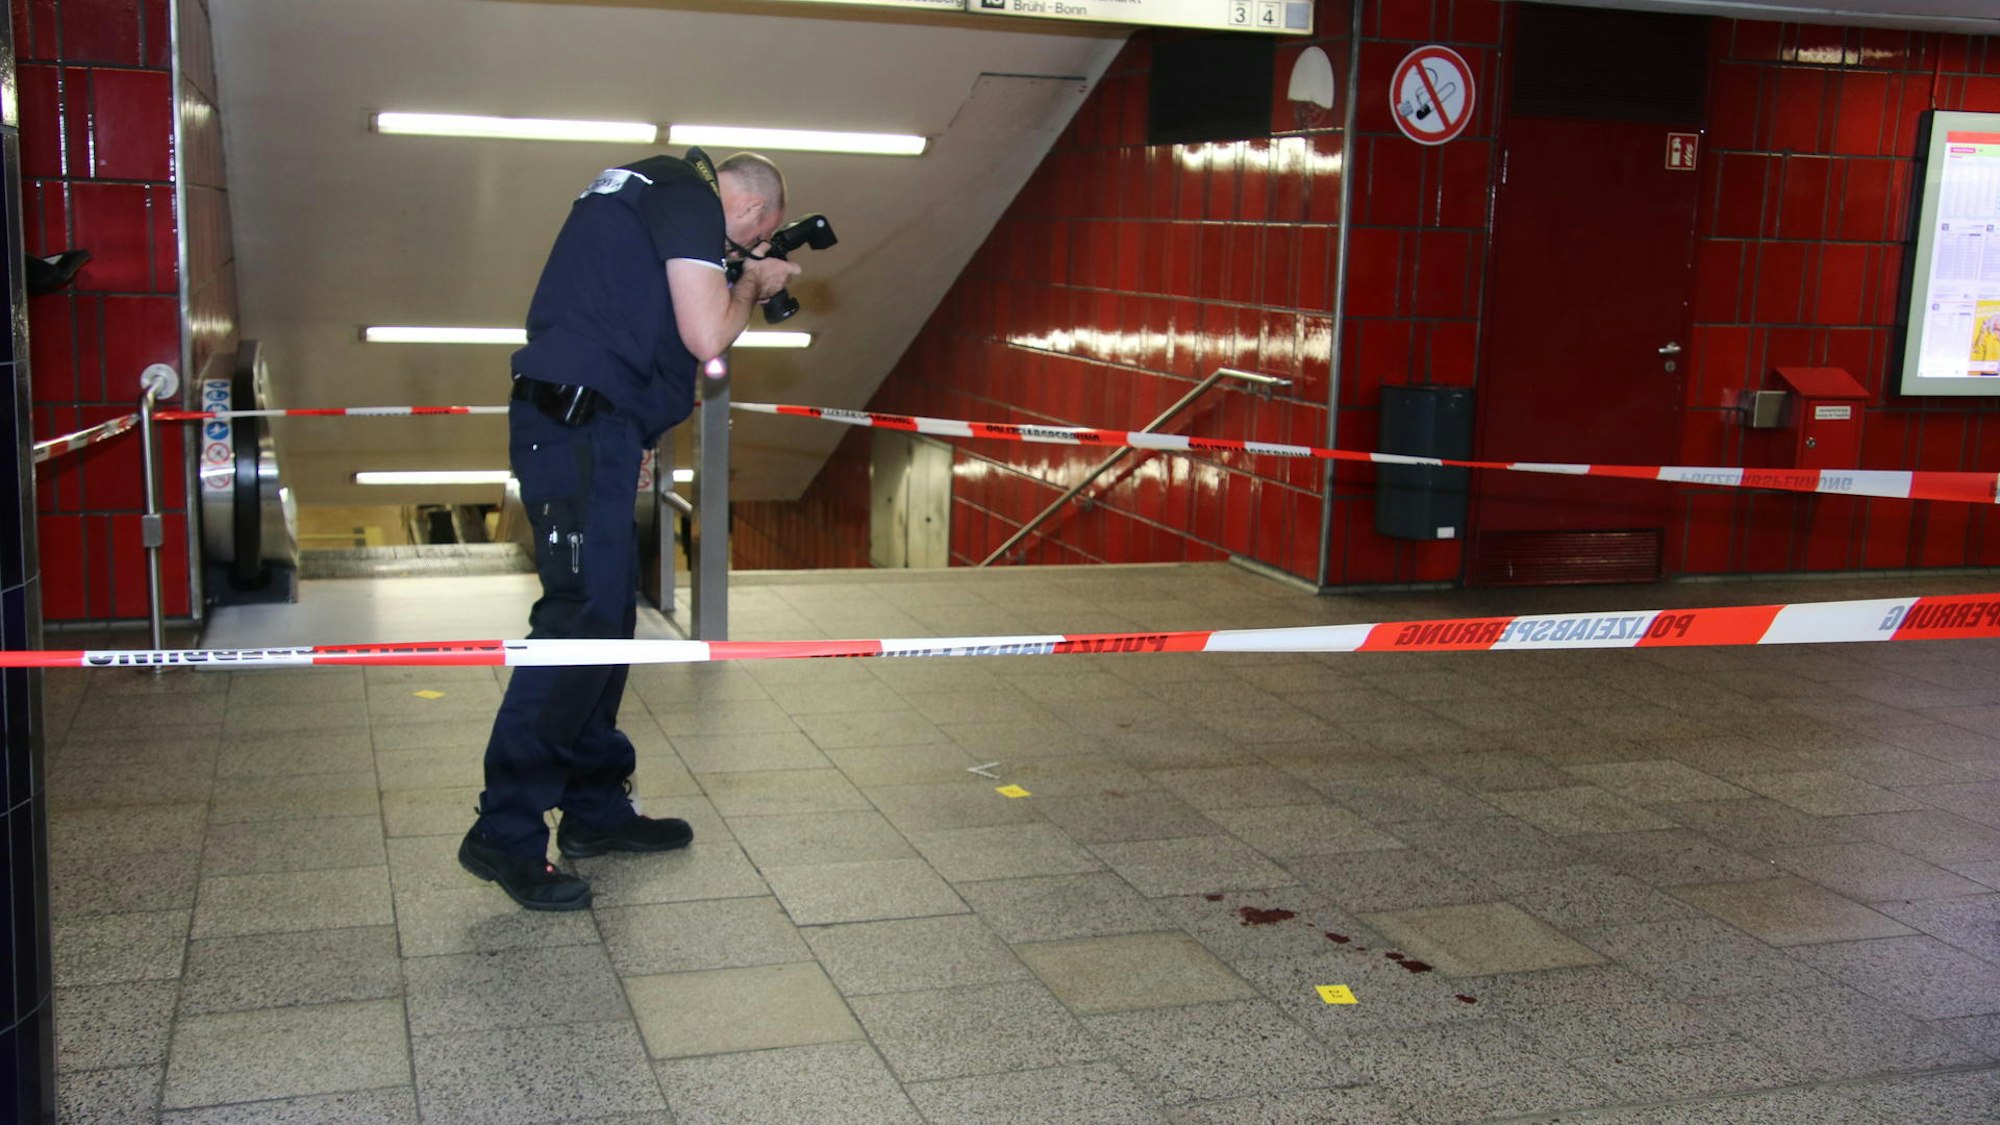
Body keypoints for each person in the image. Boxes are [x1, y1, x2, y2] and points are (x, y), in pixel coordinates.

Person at [459, 149, 800, 910]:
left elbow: (622, 311)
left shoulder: (643, 190)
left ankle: (594, 807)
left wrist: (630, 436)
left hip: (592, 427)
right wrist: (751, 280)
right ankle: (505, 831)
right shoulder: (690, 200)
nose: (737, 252)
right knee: (578, 622)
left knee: (608, 620)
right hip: (575, 427)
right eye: (748, 239)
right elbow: (707, 335)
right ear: (748, 214)